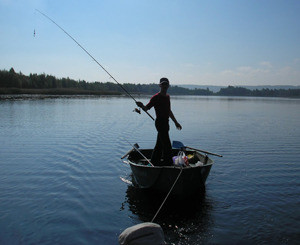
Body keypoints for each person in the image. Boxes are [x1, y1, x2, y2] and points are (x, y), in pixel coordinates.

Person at [136, 77, 182, 166]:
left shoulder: (167, 97)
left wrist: (176, 122)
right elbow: (146, 108)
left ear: (168, 85)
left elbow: (169, 111)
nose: (165, 86)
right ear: (160, 85)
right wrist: (141, 105)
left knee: (160, 145)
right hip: (160, 123)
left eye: (166, 84)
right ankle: (168, 164)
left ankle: (154, 161)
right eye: (163, 84)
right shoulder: (155, 97)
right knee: (167, 145)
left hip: (166, 123)